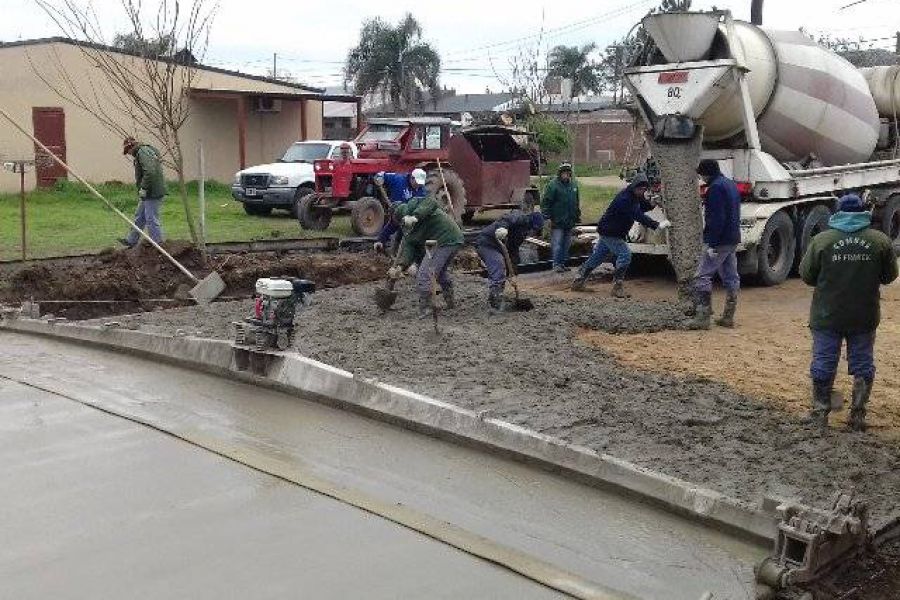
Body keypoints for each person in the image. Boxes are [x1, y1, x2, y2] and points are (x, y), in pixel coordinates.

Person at [799, 193, 898, 431]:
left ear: (838, 213)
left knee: (823, 363)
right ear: (863, 212)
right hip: (864, 315)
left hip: (827, 314)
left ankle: (820, 413)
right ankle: (857, 415)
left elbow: (807, 275)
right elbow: (889, 276)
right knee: (863, 363)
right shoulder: (879, 241)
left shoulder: (823, 240)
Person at [571, 173, 670, 298]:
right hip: (611, 232)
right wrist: (657, 225)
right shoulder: (625, 199)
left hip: (609, 230)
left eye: (644, 190)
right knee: (625, 255)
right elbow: (637, 215)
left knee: (597, 257)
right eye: (640, 189)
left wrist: (652, 203)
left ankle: (578, 281)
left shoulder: (634, 196)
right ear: (634, 186)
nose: (642, 192)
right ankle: (617, 287)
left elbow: (641, 207)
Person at [688, 159, 743, 329]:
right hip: (732, 238)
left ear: (707, 173)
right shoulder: (730, 184)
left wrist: (711, 243)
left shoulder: (716, 188)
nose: (701, 177)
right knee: (731, 276)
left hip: (719, 240)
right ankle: (728, 316)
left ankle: (703, 318)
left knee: (702, 276)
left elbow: (717, 217)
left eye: (701, 174)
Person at [393, 194, 464, 317]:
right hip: (452, 239)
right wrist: (400, 266)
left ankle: (427, 308)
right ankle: (450, 301)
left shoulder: (414, 204)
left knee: (424, 275)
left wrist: (415, 216)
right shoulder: (408, 230)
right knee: (440, 273)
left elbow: (431, 201)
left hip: (444, 238)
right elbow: (410, 249)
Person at [475, 208, 545, 311]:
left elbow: (513, 250)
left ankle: (496, 296)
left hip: (499, 247)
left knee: (503, 270)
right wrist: (502, 228)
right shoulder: (519, 217)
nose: (532, 231)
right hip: (486, 243)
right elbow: (506, 219)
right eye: (533, 228)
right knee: (498, 265)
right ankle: (495, 299)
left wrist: (513, 271)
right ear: (530, 222)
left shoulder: (523, 233)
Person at [118, 137, 166, 248]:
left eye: (128, 151)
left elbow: (149, 171)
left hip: (153, 191)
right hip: (149, 190)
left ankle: (158, 244)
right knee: (140, 215)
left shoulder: (142, 152)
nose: (129, 154)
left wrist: (144, 188)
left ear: (131, 147)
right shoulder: (144, 151)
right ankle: (131, 240)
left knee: (151, 218)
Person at [374, 168, 427, 253]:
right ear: (412, 178)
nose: (418, 185)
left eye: (420, 184)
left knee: (405, 233)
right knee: (392, 226)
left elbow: (423, 203)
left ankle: (398, 250)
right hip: (396, 211)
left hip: (409, 215)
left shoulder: (421, 190)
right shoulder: (398, 179)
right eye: (417, 182)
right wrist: (379, 178)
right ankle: (380, 244)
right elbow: (381, 174)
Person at [541, 163, 580, 273]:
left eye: (568, 173)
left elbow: (576, 202)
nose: (566, 175)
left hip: (569, 221)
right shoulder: (553, 186)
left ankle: (562, 263)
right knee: (557, 243)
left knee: (566, 244)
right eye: (564, 173)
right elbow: (546, 202)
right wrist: (547, 217)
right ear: (560, 173)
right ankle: (556, 264)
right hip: (557, 221)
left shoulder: (574, 186)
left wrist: (577, 216)